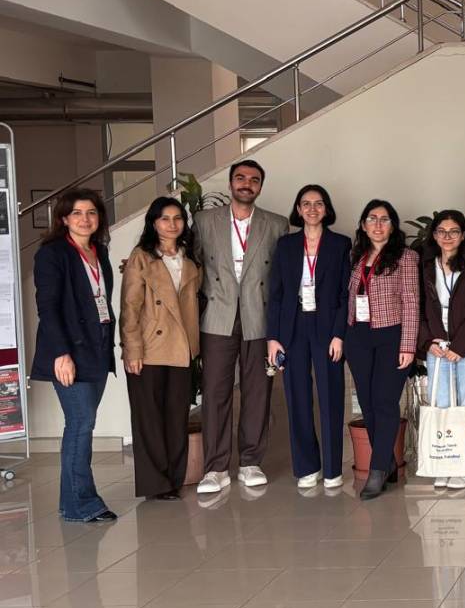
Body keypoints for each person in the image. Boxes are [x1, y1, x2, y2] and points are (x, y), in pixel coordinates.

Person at [193, 160, 289, 495]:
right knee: (215, 392)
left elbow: (282, 276)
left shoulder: (276, 224)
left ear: (260, 186)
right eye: (240, 178)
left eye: (254, 180)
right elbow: (191, 266)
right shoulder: (204, 221)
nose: (246, 184)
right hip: (217, 315)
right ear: (231, 183)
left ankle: (250, 462)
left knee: (257, 391)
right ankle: (215, 468)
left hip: (258, 316)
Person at [33, 189, 117, 522]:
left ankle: (72, 501)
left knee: (83, 424)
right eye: (77, 213)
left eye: (91, 212)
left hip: (98, 347)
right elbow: (48, 308)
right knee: (81, 423)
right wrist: (61, 353)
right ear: (64, 219)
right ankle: (81, 504)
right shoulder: (52, 254)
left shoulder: (100, 251)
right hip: (70, 351)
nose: (85, 219)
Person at [266, 185, 350, 490]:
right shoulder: (286, 245)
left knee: (331, 395)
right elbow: (276, 294)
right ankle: (307, 466)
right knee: (297, 396)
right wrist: (273, 337)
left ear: (326, 209)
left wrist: (339, 334)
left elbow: (345, 294)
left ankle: (332, 469)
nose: (312, 208)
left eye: (318, 203)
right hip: (293, 326)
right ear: (298, 210)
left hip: (327, 327)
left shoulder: (341, 244)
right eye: (306, 203)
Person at [121, 197, 202, 501]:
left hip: (182, 349)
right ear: (153, 223)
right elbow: (129, 307)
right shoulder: (141, 257)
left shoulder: (190, 259)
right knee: (149, 420)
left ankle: (174, 479)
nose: (172, 224)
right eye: (165, 218)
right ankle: (156, 484)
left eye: (177, 218)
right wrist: (132, 349)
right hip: (149, 348)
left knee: (176, 417)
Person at [345, 199, 419, 500]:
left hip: (392, 334)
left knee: (385, 401)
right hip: (358, 336)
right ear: (363, 225)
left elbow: (411, 301)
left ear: (393, 225)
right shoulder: (357, 256)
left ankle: (377, 471)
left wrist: (408, 345)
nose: (378, 224)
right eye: (372, 219)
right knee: (367, 402)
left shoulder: (406, 257)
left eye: (384, 219)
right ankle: (387, 462)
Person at [417, 210, 465, 490]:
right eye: (441, 231)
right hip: (437, 348)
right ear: (434, 235)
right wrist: (428, 342)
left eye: (454, 231)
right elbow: (418, 309)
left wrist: (460, 346)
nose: (447, 237)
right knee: (441, 406)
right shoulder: (425, 266)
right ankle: (444, 463)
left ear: (464, 235)